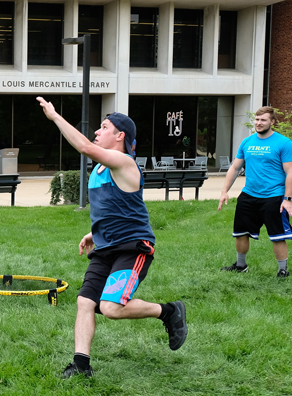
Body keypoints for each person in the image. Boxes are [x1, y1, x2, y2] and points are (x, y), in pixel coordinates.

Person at [37, 97, 188, 379]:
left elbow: (84, 146)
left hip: (133, 247)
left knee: (111, 308)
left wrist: (55, 117)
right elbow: (111, 206)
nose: (96, 131)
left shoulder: (124, 162)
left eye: (103, 127)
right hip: (105, 246)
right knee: (85, 302)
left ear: (120, 136)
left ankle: (168, 311)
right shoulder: (99, 169)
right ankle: (81, 366)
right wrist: (94, 232)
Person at [218, 106, 292, 278]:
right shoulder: (247, 142)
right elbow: (235, 167)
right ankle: (241, 265)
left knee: (278, 235)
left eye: (263, 120)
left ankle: (282, 270)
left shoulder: (284, 143)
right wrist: (224, 191)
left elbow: (291, 172)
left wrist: (287, 198)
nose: (258, 123)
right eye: (257, 119)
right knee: (240, 233)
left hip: (274, 196)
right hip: (249, 194)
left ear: (273, 122)